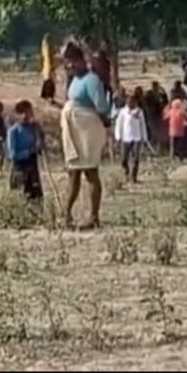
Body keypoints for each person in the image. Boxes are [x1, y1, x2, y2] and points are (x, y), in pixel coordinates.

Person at [60, 41, 111, 231]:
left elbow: (101, 106)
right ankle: (66, 215)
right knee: (73, 172)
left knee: (90, 172)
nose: (69, 65)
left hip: (86, 130)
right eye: (67, 62)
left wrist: (105, 120)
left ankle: (93, 217)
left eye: (72, 61)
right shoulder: (74, 81)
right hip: (73, 129)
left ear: (81, 60)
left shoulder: (92, 80)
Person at [6, 100, 44, 204]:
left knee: (36, 201)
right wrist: (29, 152)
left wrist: (39, 133)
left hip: (33, 171)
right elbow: (12, 155)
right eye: (25, 113)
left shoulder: (32, 129)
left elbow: (40, 146)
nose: (27, 116)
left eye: (30, 113)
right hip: (20, 170)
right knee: (21, 200)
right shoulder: (14, 131)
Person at [114, 94, 148, 183]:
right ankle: (126, 173)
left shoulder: (139, 112)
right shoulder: (123, 112)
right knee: (124, 159)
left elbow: (142, 125)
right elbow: (119, 124)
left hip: (137, 137)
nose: (130, 103)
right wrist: (118, 136)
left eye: (132, 101)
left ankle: (134, 177)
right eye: (128, 102)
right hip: (126, 138)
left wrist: (144, 137)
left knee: (136, 158)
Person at [164, 87, 187, 159]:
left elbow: (165, 116)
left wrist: (167, 108)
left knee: (173, 144)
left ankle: (172, 156)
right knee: (180, 144)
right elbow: (186, 116)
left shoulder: (171, 111)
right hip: (180, 130)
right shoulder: (181, 111)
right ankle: (181, 156)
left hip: (172, 130)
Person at [39, 34, 59, 105]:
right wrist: (52, 66)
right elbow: (50, 57)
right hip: (49, 66)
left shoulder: (44, 47)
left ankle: (44, 94)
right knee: (50, 82)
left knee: (47, 80)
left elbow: (42, 57)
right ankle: (50, 97)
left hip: (46, 66)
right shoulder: (48, 47)